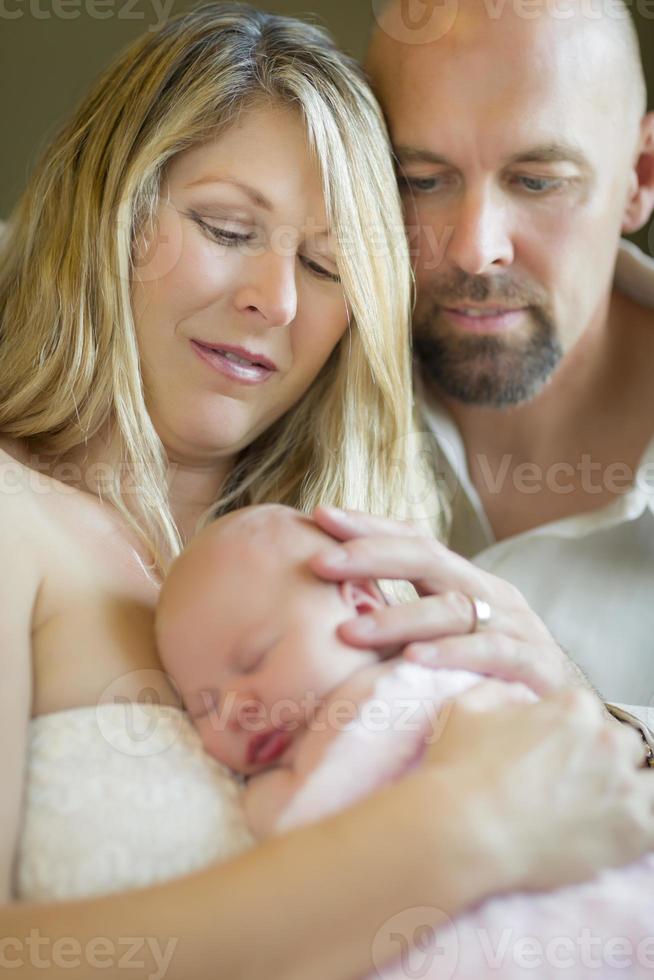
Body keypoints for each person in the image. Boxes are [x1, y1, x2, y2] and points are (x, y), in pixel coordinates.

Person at [1, 4, 653, 979]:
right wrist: (461, 830)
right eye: (226, 227)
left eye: (327, 263)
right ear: (110, 211)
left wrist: (583, 720)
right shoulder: (19, 524)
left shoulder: (348, 556)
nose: (280, 298)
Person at [155, 502, 654, 980]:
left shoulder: (437, 677)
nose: (236, 709)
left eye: (255, 659)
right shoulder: (274, 787)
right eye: (204, 706)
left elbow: (556, 752)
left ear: (365, 604)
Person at [365, 0, 654, 717]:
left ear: (640, 178)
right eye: (422, 181)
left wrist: (602, 727)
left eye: (537, 181)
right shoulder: (276, 384)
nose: (475, 248)